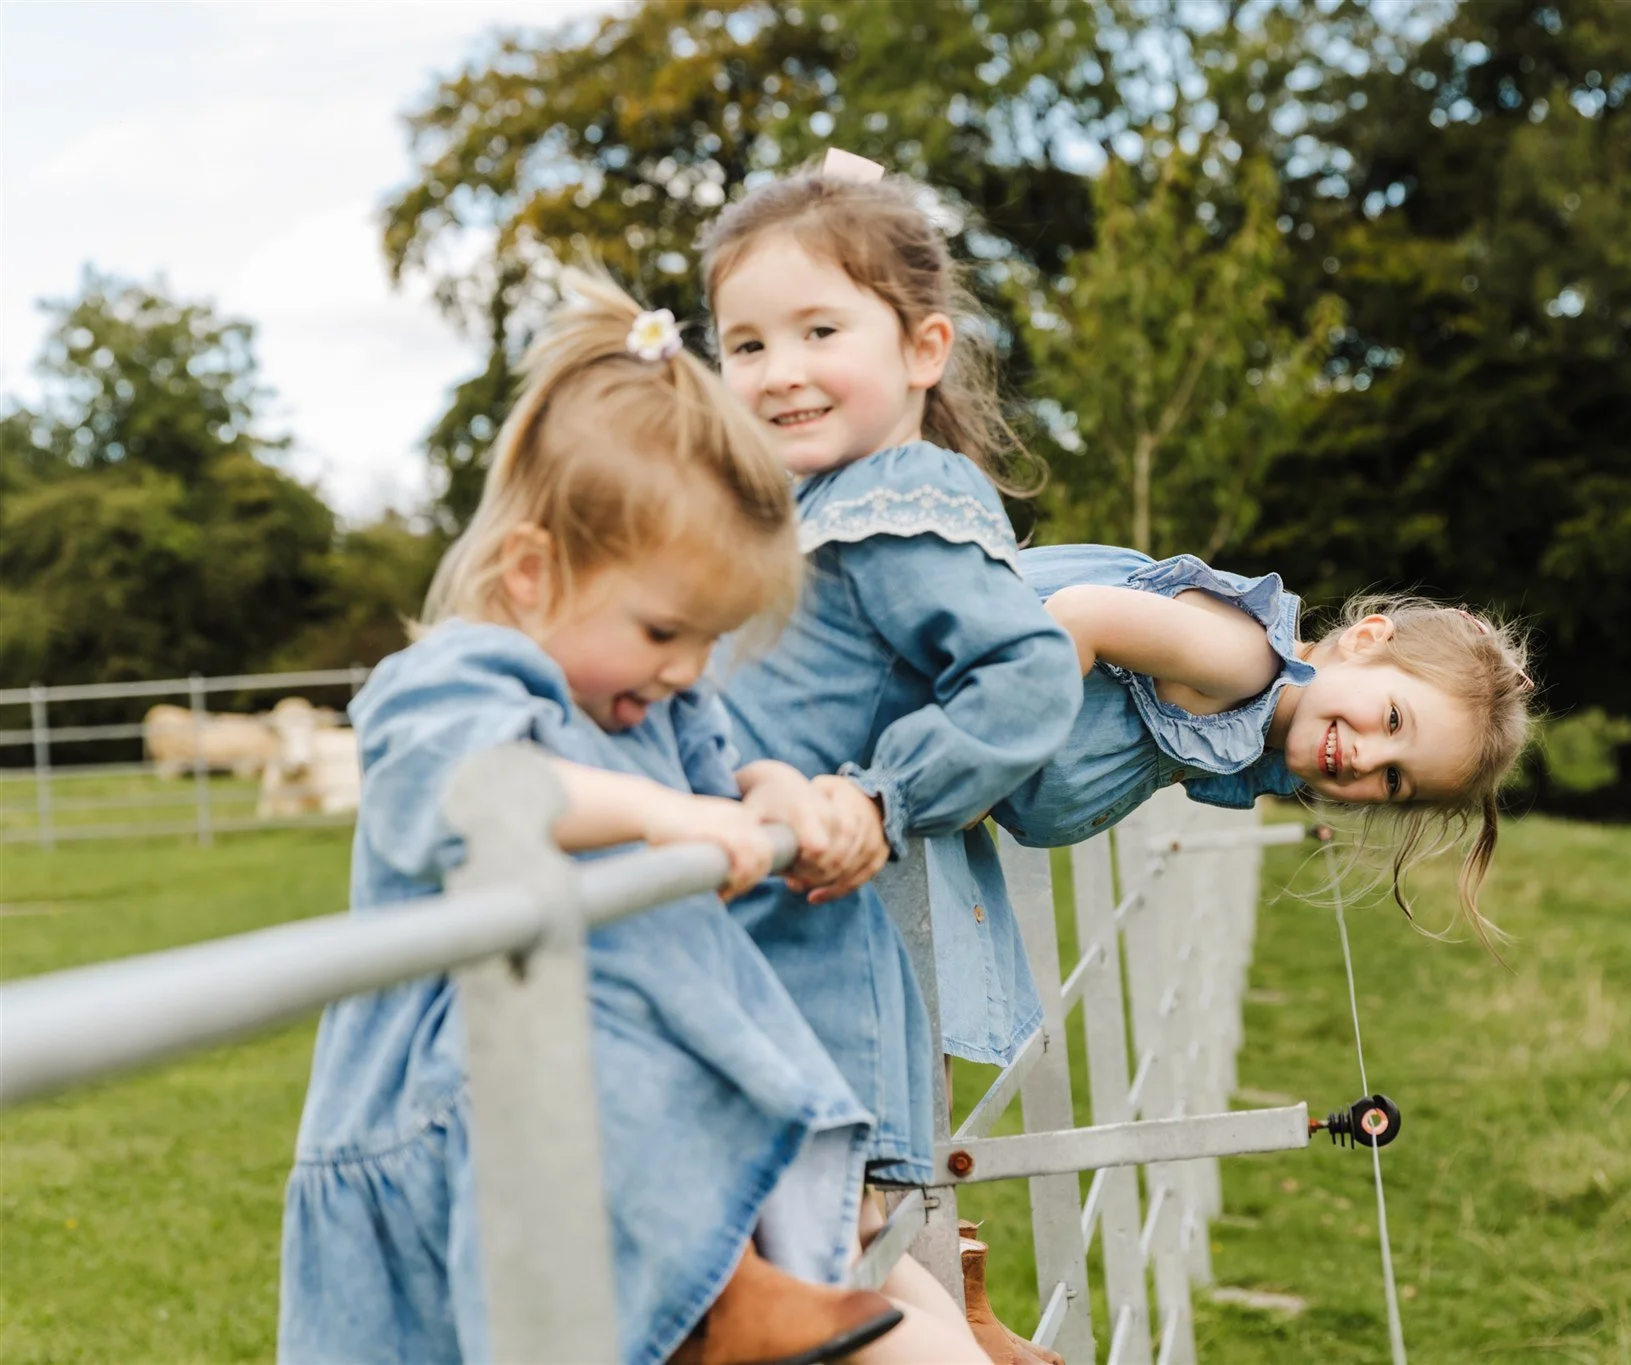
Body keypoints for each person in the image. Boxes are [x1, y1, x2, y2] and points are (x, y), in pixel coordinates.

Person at [279, 271, 985, 1365]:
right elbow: (477, 789)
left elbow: (727, 769)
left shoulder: (654, 702)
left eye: (712, 640)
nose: (687, 671)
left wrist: (779, 794)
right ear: (530, 573)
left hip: (575, 1113)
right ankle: (733, 1294)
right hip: (453, 1113)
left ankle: (747, 1290)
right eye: (665, 632)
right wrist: (663, 818)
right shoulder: (456, 676)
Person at [702, 160, 1083, 1363]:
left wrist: (883, 791)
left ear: (924, 350)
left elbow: (1025, 678)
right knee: (815, 1288)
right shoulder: (791, 508)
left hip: (809, 951)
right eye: (746, 343)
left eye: (820, 330)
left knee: (813, 1283)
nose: (780, 371)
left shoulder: (900, 495)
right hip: (745, 934)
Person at [998, 544, 1538, 954]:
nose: (1366, 760)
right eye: (1393, 720)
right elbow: (1075, 618)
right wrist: (978, 770)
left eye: (1395, 780)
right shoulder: (1242, 661)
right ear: (1366, 639)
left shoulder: (1258, 739)